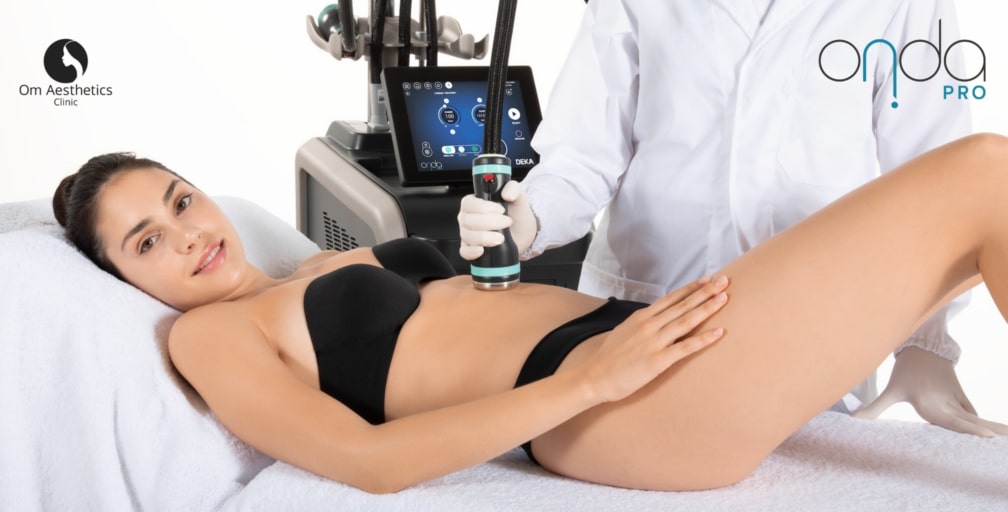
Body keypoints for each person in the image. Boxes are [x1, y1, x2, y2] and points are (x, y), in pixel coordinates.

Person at [55, 136, 1008, 494]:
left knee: (972, 222)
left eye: (179, 200)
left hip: (626, 348)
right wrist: (585, 383)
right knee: (983, 175)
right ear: (125, 279)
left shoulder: (303, 269)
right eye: (146, 242)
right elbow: (370, 462)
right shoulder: (210, 334)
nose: (187, 235)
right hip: (612, 403)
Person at [458, 0, 993, 432]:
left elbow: (937, 178)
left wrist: (926, 343)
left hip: (811, 333)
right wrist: (531, 217)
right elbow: (584, 154)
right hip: (642, 317)